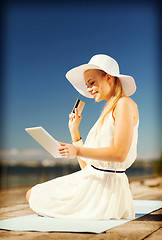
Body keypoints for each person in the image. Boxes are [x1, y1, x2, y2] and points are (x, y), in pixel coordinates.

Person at [26, 54, 139, 220]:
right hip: (93, 182)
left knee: (34, 196)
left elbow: (120, 154)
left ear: (108, 78)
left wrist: (77, 150)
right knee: (32, 194)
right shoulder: (109, 110)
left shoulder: (124, 104)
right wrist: (74, 131)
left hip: (104, 192)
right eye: (87, 85)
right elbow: (88, 168)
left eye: (92, 82)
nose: (89, 89)